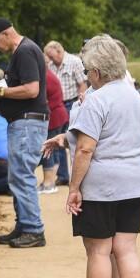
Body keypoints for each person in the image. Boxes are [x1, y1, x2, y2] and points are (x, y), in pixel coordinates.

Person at [43, 36, 140, 278]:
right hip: (136, 181)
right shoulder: (136, 99)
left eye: (89, 70)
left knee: (100, 251)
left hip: (104, 183)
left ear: (98, 72)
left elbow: (86, 149)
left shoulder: (97, 100)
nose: (88, 76)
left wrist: (74, 187)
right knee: (127, 249)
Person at [0, 18, 49, 249]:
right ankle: (23, 225)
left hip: (27, 123)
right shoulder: (22, 51)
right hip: (24, 123)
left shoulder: (25, 51)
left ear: (5, 34)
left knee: (22, 175)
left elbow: (32, 89)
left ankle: (33, 229)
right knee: (17, 175)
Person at [45, 40, 87, 184]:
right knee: (61, 140)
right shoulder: (51, 65)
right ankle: (63, 175)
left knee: (75, 140)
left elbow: (82, 84)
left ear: (59, 50)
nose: (51, 60)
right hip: (58, 105)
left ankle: (78, 175)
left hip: (72, 102)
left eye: (52, 56)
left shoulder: (74, 62)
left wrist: (81, 106)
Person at [39, 67, 70, 194]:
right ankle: (51, 181)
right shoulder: (49, 74)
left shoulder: (45, 77)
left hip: (54, 117)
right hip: (60, 115)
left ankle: (48, 183)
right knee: (55, 150)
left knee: (48, 148)